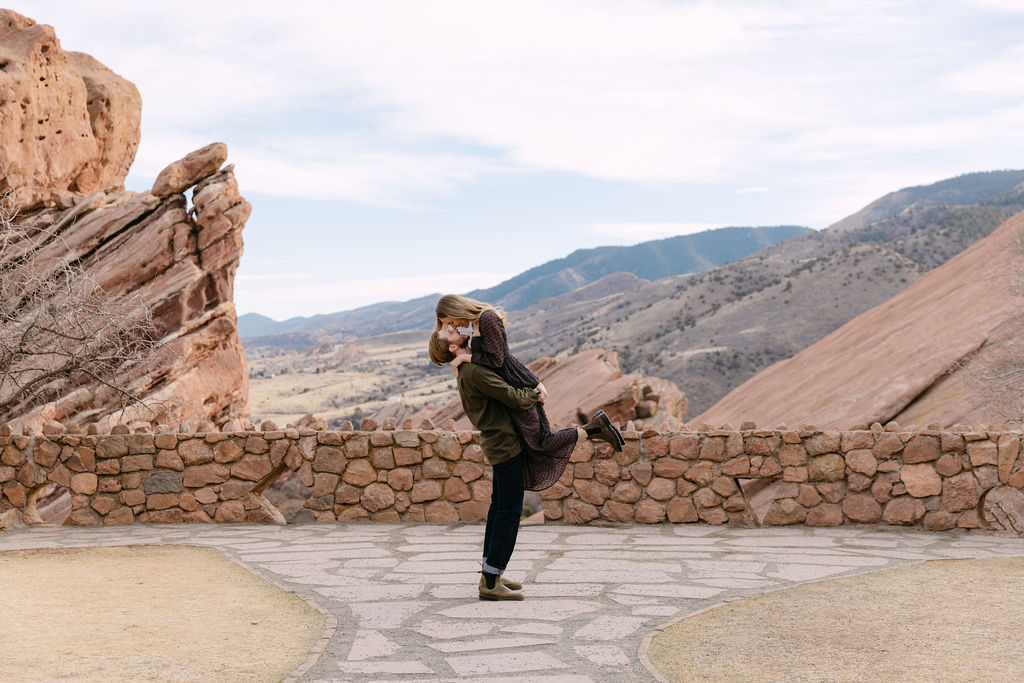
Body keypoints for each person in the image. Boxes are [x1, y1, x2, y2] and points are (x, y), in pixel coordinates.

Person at [432, 294, 623, 491]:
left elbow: (498, 360)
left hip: (517, 386)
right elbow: (506, 357)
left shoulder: (487, 318)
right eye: (450, 326)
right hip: (513, 384)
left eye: (452, 321)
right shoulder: (477, 324)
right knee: (535, 442)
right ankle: (595, 428)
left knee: (541, 442)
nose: (455, 326)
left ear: (456, 309)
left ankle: (595, 429)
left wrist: (465, 359)